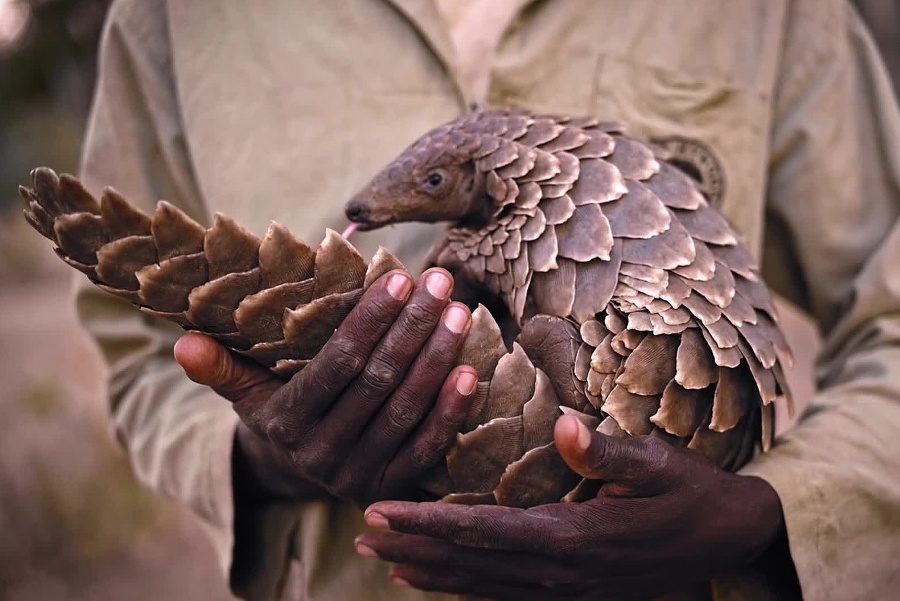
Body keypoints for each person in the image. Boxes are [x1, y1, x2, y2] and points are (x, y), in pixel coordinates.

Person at [74, 0, 900, 599]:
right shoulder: (176, 20)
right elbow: (137, 354)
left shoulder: (778, 16)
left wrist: (769, 518)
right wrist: (258, 457)